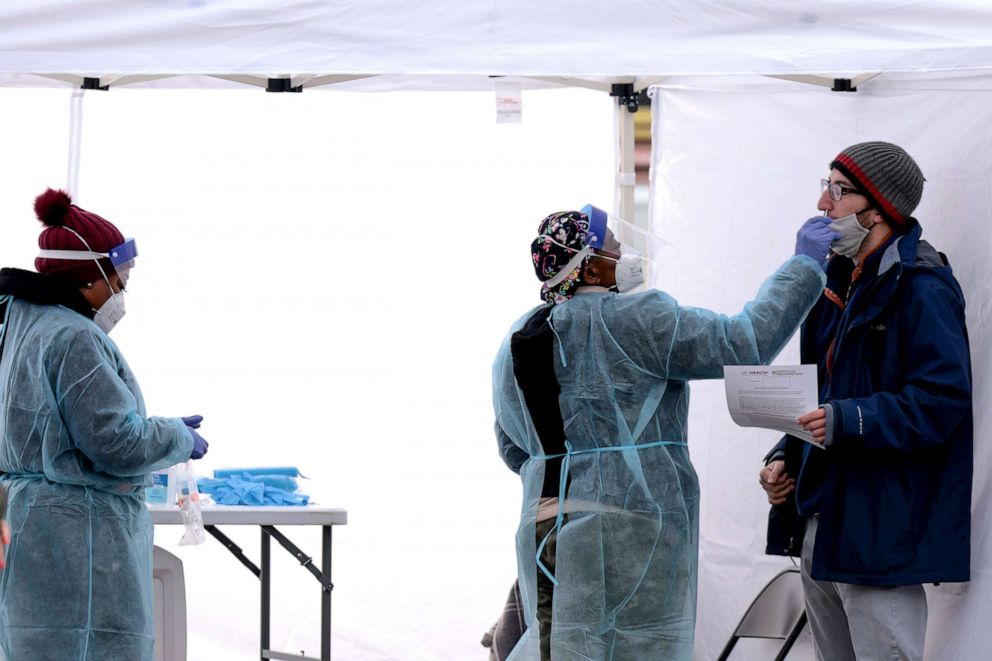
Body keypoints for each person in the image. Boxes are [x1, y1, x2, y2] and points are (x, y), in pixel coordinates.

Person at [492, 205, 835, 660]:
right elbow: (743, 342)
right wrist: (803, 268)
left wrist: (572, 474)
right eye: (613, 245)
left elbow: (511, 446)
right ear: (591, 265)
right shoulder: (639, 319)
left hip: (545, 530)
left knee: (561, 649)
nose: (622, 252)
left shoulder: (517, 338)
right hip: (634, 530)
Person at [758, 142, 973, 661]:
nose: (821, 204)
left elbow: (941, 400)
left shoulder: (922, 286)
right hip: (820, 522)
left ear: (879, 207)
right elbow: (817, 390)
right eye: (825, 186)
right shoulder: (834, 281)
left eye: (838, 190)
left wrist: (846, 420)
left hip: (880, 531)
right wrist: (784, 455)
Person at [0, 189, 210, 660]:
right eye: (118, 277)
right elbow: (114, 444)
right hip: (80, 543)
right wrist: (176, 437)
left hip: (30, 529)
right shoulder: (74, 337)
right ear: (86, 277)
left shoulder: (17, 322)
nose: (120, 291)